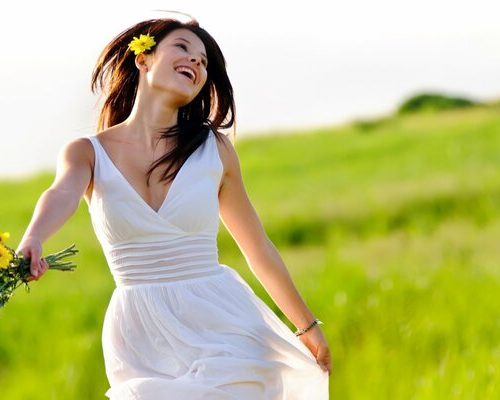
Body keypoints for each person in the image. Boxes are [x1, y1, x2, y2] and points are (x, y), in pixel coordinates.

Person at [17, 16, 331, 399]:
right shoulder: (87, 153)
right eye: (183, 48)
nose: (197, 63)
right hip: (140, 335)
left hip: (222, 323)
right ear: (143, 58)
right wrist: (34, 236)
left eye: (204, 62)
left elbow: (258, 249)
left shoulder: (214, 151)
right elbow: (60, 194)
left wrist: (306, 326)